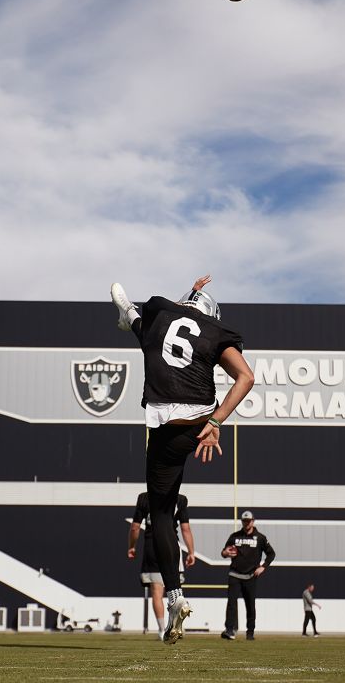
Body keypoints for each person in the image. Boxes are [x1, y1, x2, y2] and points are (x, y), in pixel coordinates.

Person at [111, 275, 255, 645]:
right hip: (198, 422)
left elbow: (150, 321)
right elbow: (246, 377)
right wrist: (216, 422)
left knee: (161, 511)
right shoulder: (213, 329)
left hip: (164, 427)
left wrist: (130, 310)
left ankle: (174, 596)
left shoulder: (159, 317)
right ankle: (126, 313)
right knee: (167, 504)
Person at [128, 491, 196, 639]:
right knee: (176, 591)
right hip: (172, 547)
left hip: (153, 547)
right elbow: (185, 529)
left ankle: (162, 629)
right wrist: (191, 552)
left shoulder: (145, 498)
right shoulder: (180, 499)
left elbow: (135, 527)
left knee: (157, 593)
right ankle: (177, 627)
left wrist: (131, 546)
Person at [220, 510, 276, 641]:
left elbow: (271, 554)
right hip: (234, 574)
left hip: (250, 576)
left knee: (250, 605)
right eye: (244, 521)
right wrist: (225, 553)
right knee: (231, 603)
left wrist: (263, 567)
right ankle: (229, 630)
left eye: (248, 521)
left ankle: (250, 632)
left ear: (253, 521)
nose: (246, 523)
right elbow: (223, 552)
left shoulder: (260, 538)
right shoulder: (235, 536)